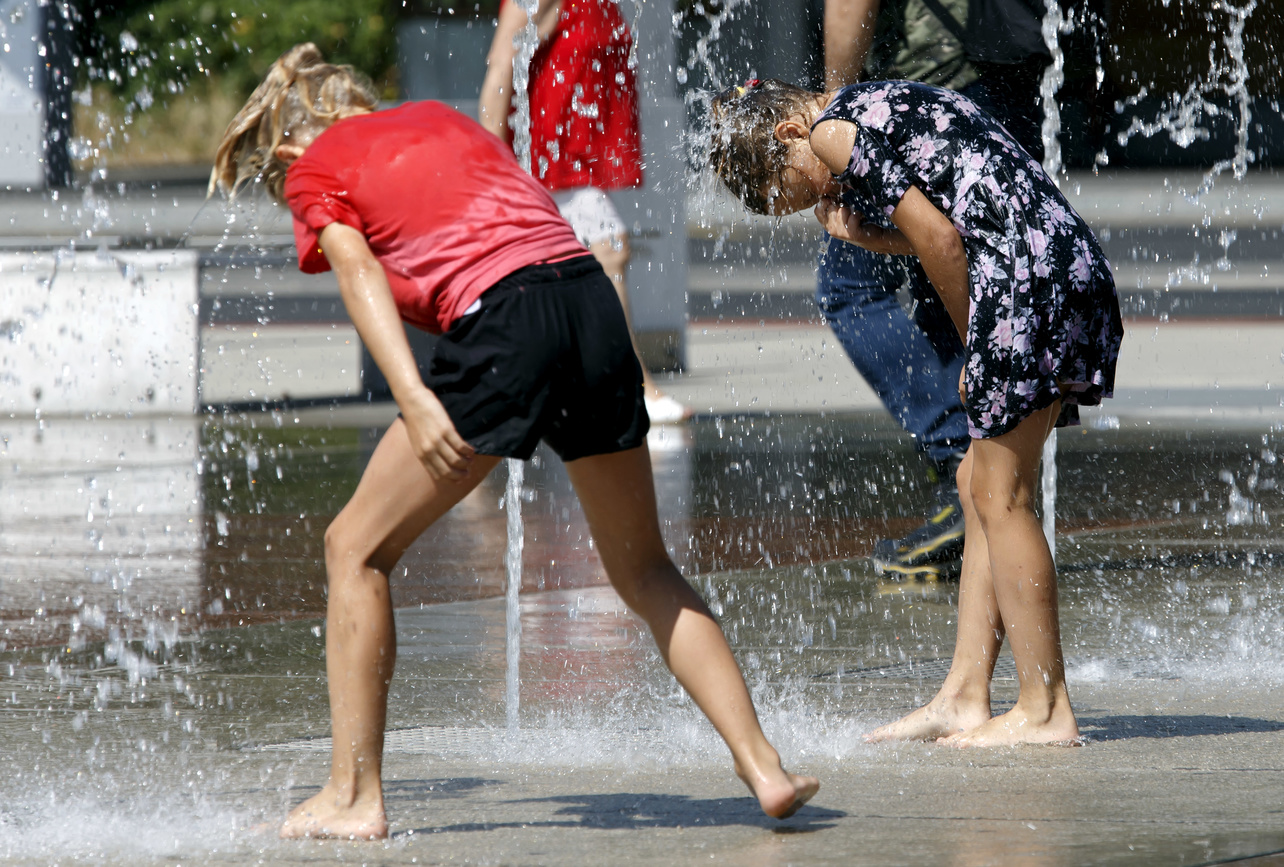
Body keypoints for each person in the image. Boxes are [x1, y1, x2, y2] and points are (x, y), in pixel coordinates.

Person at [209, 46, 817, 839]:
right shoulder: (442, 120)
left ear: (290, 142)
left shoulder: (316, 163)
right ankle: (764, 767)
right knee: (643, 566)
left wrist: (413, 396)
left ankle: (352, 794)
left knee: (352, 549)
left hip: (509, 320)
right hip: (589, 300)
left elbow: (356, 265)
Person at [709, 78, 1122, 745]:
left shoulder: (829, 133)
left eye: (798, 189)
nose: (816, 198)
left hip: (1025, 279)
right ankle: (963, 694)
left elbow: (946, 244)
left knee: (1001, 492)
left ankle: (1046, 708)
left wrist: (973, 344)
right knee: (976, 483)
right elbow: (953, 219)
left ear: (789, 135)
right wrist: (875, 242)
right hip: (1053, 263)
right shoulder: (874, 102)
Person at [821, 0, 1048, 580]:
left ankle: (961, 463)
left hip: (931, 88)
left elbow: (851, 5)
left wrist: (835, 105)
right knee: (956, 288)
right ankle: (994, 491)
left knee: (848, 286)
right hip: (1005, 77)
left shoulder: (844, 131)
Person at [478, 0, 691, 424]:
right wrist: (487, 167)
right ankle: (633, 387)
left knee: (541, 276)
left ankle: (511, 387)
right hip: (545, 160)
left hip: (567, 161)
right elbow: (502, 64)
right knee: (609, 250)